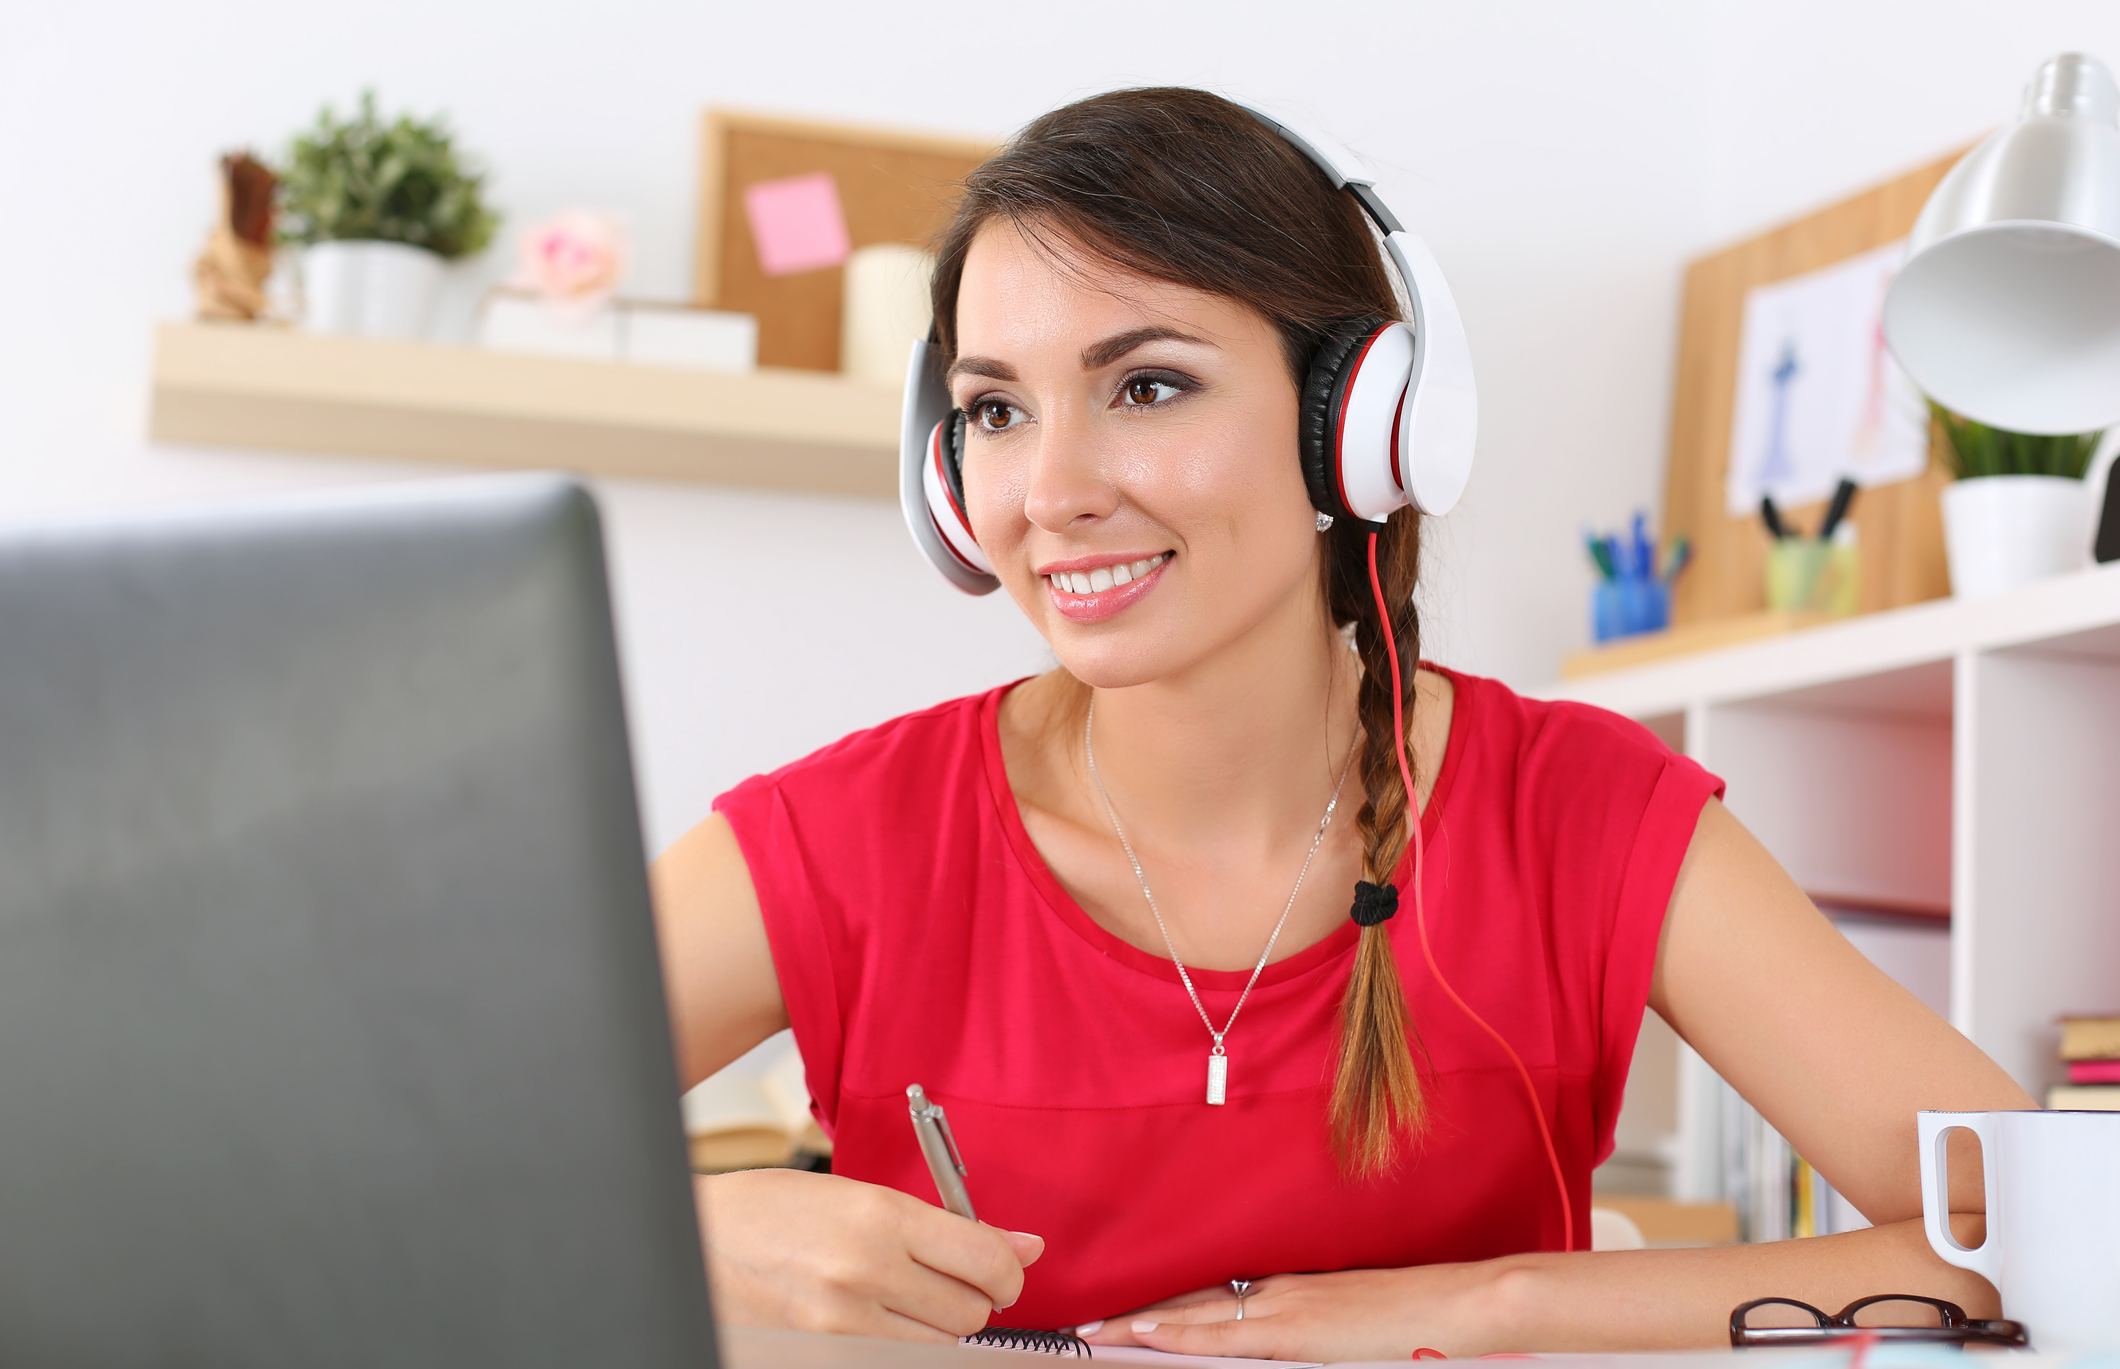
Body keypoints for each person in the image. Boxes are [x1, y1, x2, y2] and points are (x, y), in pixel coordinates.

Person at [649, 87, 2030, 1360]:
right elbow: (430, 1137)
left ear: (1356, 424)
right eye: (995, 409)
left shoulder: (1579, 813)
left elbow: (2040, 1240)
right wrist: (704, 1225)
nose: (1049, 490)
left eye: (1145, 385)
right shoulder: (842, 840)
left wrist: (1493, 1299)